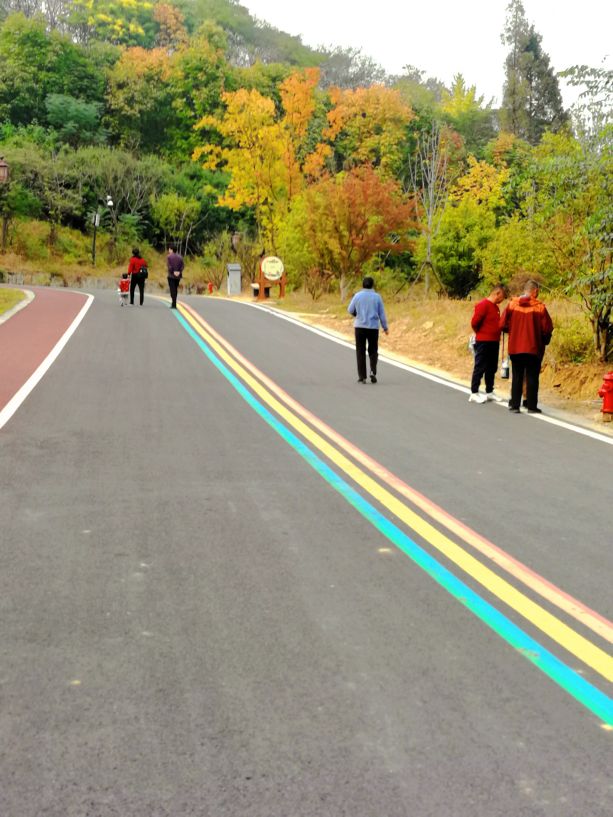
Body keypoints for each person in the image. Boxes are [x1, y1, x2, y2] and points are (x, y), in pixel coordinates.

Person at [500, 279, 553, 414]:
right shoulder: (540, 307)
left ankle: (515, 405)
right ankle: (531, 406)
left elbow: (502, 324)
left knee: (517, 375)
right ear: (534, 291)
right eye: (538, 291)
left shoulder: (512, 305)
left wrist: (512, 331)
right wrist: (544, 340)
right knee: (532, 376)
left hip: (515, 347)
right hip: (533, 347)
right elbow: (547, 328)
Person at [468, 284, 507, 403]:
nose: (502, 300)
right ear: (497, 293)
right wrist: (481, 333)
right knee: (480, 366)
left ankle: (489, 391)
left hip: (494, 341)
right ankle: (474, 392)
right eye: (502, 297)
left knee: (492, 367)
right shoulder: (483, 305)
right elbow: (474, 322)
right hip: (483, 341)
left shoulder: (495, 307)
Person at [347, 276, 389, 384]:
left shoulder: (357, 296)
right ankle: (372, 371)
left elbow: (350, 309)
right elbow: (382, 314)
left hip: (360, 327)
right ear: (372, 285)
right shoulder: (377, 297)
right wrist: (385, 327)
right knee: (373, 350)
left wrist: (357, 315)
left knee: (360, 351)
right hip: (373, 327)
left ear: (362, 285)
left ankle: (362, 377)